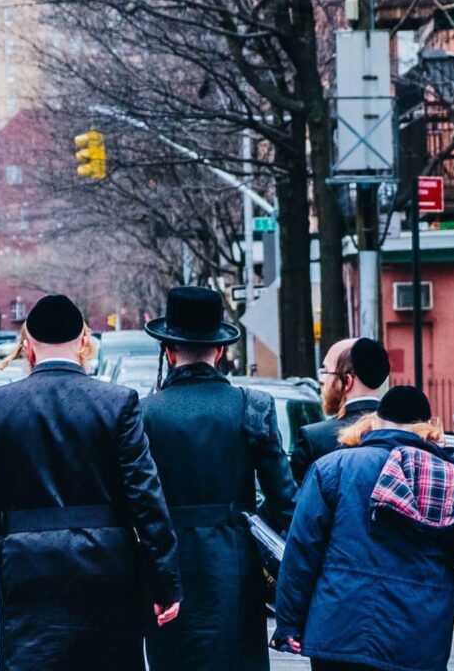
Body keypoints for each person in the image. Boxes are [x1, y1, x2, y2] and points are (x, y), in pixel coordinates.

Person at [0, 294, 182, 671]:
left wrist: (8, 528)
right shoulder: (117, 402)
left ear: (27, 345)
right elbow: (145, 495)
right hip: (107, 558)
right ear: (84, 342)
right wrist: (165, 577)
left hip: (26, 560)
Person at [273, 386, 454, 671]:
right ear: (429, 429)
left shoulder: (332, 468)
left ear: (376, 421)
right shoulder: (450, 480)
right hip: (414, 639)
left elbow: (301, 551)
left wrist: (289, 623)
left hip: (338, 632)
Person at [140, 286, 297, 671]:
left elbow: (135, 500)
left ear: (168, 350)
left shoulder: (143, 413)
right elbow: (286, 500)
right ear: (220, 351)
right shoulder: (251, 406)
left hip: (167, 567)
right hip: (235, 568)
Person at [289, 337, 390, 483]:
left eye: (326, 371)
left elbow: (291, 501)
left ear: (347, 381)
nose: (322, 379)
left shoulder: (314, 438)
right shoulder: (406, 434)